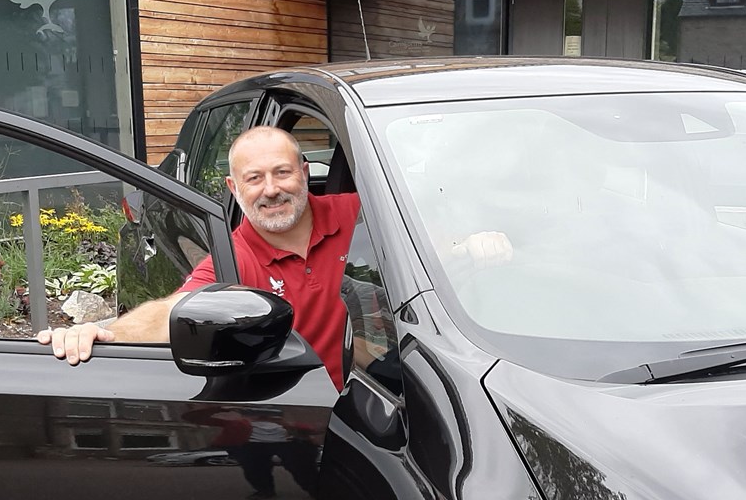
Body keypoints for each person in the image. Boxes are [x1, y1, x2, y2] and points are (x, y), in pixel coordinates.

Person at [38, 126, 509, 389]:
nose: (272, 190)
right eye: (255, 178)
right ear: (233, 188)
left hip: (396, 401)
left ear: (306, 172)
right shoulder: (235, 258)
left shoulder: (362, 217)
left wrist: (481, 242)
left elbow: (435, 242)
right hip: (301, 416)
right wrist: (105, 331)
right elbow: (172, 313)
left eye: (283, 172)